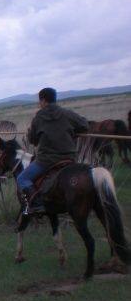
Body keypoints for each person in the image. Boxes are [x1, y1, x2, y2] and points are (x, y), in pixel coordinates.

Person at [19, 87, 88, 215]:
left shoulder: (38, 118)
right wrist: (73, 133)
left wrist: (30, 133)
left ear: (43, 100)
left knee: (22, 178)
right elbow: (84, 125)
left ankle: (38, 204)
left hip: (46, 161)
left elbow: (33, 140)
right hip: (69, 158)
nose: (39, 103)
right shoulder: (67, 114)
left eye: (39, 101)